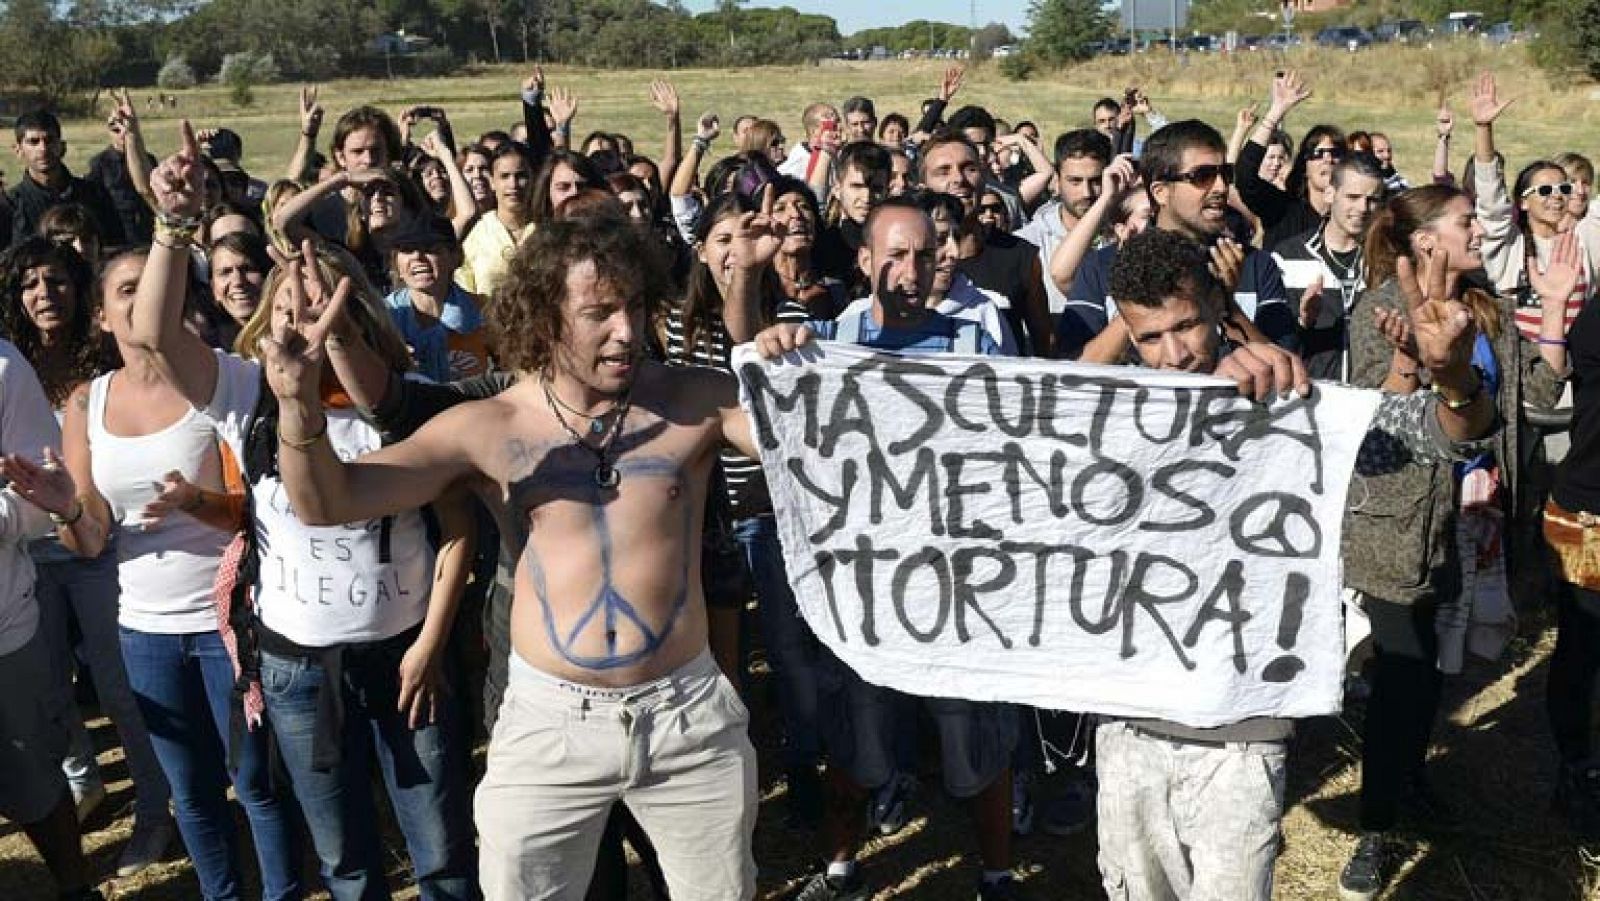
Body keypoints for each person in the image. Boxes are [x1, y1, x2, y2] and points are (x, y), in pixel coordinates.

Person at [263, 208, 764, 899]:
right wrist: (297, 407)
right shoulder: (490, 427)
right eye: (600, 312)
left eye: (638, 305)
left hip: (687, 718)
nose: (627, 331)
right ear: (545, 316)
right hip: (548, 725)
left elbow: (806, 442)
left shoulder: (694, 402)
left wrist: (779, 363)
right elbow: (330, 500)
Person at [1097, 223, 1505, 901]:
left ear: (1216, 304)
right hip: (1128, 725)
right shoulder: (1108, 408)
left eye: (1188, 326)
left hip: (1242, 731)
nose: (1174, 354)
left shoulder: (1291, 400)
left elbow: (1440, 435)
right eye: (1149, 337)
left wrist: (1454, 373)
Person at [132, 124, 481, 901]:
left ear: (355, 309)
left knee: (442, 851)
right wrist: (171, 224)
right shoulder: (244, 394)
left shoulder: (402, 406)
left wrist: (429, 645)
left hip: (406, 655)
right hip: (296, 667)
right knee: (346, 862)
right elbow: (155, 334)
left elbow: (457, 530)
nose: (304, 320)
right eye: (290, 304)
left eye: (324, 304)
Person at [5, 248, 303, 901]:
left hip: (228, 622)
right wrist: (64, 507)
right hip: (143, 629)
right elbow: (89, 540)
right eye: (127, 292)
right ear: (104, 317)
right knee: (190, 790)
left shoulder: (217, 381)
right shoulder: (88, 401)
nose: (144, 303)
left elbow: (257, 516)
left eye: (153, 289)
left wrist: (195, 501)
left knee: (255, 781)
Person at [759, 199, 1019, 901]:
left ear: (943, 259)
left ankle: (996, 873)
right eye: (895, 256)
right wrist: (772, 347)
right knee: (857, 731)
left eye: (924, 254)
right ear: (865, 261)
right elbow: (749, 365)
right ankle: (841, 864)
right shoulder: (824, 339)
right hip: (864, 584)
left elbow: (1022, 434)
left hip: (954, 583)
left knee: (975, 738)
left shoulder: (973, 345)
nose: (910, 270)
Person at [1336, 183, 1569, 901]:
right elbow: (1378, 423)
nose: (1482, 228)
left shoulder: (1488, 307)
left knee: (1435, 671)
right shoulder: (1381, 308)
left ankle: (1410, 778)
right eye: (1467, 220)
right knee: (1401, 675)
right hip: (1404, 522)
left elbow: (1539, 388)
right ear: (1426, 240)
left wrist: (1555, 306)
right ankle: (1377, 826)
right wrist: (1418, 360)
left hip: (1475, 522)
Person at [0, 236, 176, 875]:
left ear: (82, 291)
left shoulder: (106, 359)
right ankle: (81, 782)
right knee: (48, 692)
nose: (44, 295)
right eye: (29, 284)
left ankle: (156, 811)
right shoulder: (13, 360)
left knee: (119, 687)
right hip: (27, 554)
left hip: (95, 545)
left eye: (57, 281)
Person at [0, 338, 103, 901]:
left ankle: (76, 889)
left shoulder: (3, 365)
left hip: (4, 632)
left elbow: (46, 497)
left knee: (34, 779)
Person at [1056, 120, 1294, 361]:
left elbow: (1287, 368)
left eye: (1225, 174)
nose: (1221, 188)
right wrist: (1136, 302)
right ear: (1160, 191)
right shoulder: (1104, 266)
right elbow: (1075, 369)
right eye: (1202, 176)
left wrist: (1227, 308)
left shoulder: (1255, 265)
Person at [919, 132, 1053, 356]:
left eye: (969, 168)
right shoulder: (909, 259)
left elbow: (1044, 345)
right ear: (923, 185)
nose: (958, 179)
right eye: (943, 171)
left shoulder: (1020, 255)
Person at [1272, 153, 1387, 379]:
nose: (1363, 208)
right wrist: (1303, 321)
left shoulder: (1387, 261)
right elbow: (1271, 340)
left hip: (1371, 398)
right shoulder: (1288, 256)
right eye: (1352, 197)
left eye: (1372, 200)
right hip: (1312, 398)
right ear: (1330, 194)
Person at [1236, 71, 1345, 249]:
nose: (1328, 159)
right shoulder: (1281, 209)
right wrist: (1276, 111)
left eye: (1335, 153)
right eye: (1318, 153)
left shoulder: (1352, 216)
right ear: (1304, 166)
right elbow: (1245, 174)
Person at [1015, 129, 1113, 317]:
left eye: (1096, 181)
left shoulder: (1127, 234)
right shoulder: (1026, 244)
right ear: (1057, 182)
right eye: (1075, 181)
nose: (1087, 192)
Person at [385, 213, 491, 383]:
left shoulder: (486, 312)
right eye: (407, 249)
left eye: (429, 248)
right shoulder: (381, 319)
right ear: (396, 264)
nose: (417, 257)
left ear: (455, 257)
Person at [10, 110, 126, 249]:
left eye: (49, 140)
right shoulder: (10, 206)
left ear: (62, 147)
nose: (43, 148)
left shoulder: (94, 194)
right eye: (33, 142)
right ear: (18, 150)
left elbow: (116, 246)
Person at [87, 88, 157, 246]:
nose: (121, 134)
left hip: (147, 231)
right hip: (118, 234)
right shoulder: (100, 163)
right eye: (115, 130)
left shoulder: (148, 159)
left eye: (123, 128)